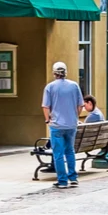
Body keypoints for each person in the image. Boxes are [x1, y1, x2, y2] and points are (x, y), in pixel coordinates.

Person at [42, 61, 84, 189]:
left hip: (57, 125)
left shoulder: (50, 87)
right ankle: (73, 177)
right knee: (70, 151)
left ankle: (62, 180)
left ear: (54, 73)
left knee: (58, 154)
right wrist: (75, 117)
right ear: (65, 72)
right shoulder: (74, 86)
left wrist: (48, 120)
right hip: (71, 125)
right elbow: (80, 105)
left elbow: (45, 106)